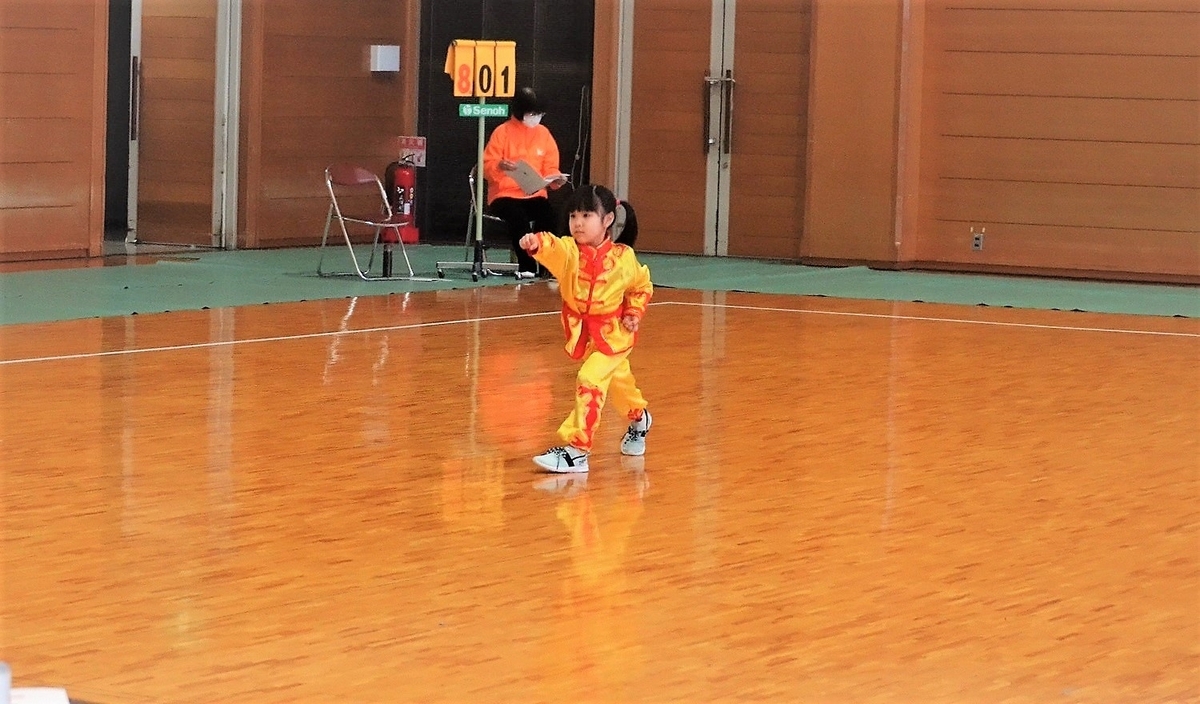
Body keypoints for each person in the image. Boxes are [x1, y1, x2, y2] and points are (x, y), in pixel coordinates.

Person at [518, 184, 653, 473]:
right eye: (573, 216)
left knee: (590, 380)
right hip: (584, 334)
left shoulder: (623, 258)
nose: (577, 223)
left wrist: (633, 312)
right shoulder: (569, 252)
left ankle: (577, 450)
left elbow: (640, 286)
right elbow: (552, 246)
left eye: (587, 215)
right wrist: (535, 243)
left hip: (615, 335)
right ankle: (640, 418)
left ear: (607, 221)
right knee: (619, 383)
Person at [483, 86, 568, 279]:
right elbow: (487, 165)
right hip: (504, 195)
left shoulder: (544, 134)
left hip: (534, 193)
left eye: (539, 114)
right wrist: (499, 165)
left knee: (549, 217)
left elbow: (550, 166)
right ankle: (527, 266)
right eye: (532, 113)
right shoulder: (502, 132)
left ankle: (549, 264)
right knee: (518, 218)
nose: (536, 117)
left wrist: (556, 179)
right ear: (520, 112)